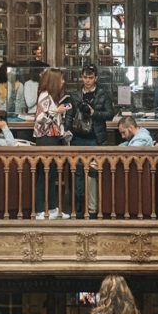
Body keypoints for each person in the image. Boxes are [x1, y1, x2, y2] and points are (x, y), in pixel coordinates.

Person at [66, 65, 114, 217]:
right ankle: (79, 210)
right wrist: (67, 130)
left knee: (93, 175)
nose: (87, 81)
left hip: (95, 139)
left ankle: (93, 210)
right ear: (81, 77)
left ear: (96, 78)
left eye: (90, 78)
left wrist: (94, 113)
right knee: (78, 174)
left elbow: (110, 114)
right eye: (85, 77)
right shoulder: (75, 95)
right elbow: (69, 114)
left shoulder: (102, 94)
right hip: (78, 138)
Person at [32, 67, 71, 218]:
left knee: (53, 174)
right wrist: (57, 111)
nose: (63, 81)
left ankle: (53, 208)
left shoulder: (53, 97)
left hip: (54, 139)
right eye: (61, 79)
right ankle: (40, 210)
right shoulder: (44, 96)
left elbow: (54, 122)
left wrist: (63, 132)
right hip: (45, 140)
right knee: (45, 174)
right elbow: (40, 120)